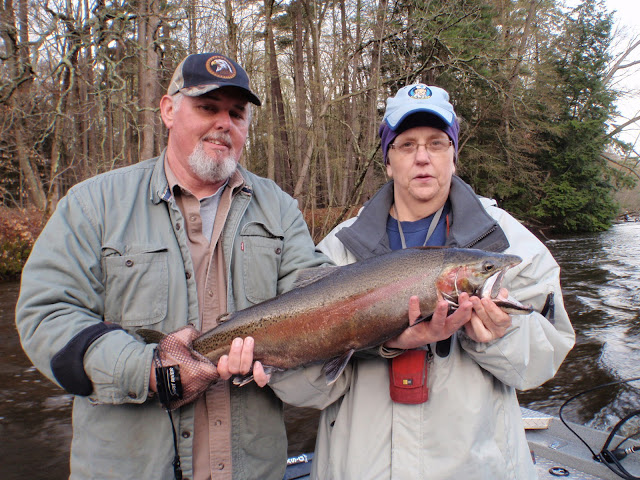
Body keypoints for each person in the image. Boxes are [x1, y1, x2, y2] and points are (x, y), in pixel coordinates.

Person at [15, 52, 330, 480]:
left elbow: (320, 304)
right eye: (208, 108)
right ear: (168, 110)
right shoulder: (93, 205)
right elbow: (45, 316)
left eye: (237, 113)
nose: (224, 123)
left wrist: (392, 330)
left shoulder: (280, 208)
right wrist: (149, 371)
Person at [269, 84, 576, 479]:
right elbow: (300, 391)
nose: (422, 157)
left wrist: (500, 337)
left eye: (436, 143)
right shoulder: (337, 249)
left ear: (453, 155)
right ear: (388, 161)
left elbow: (545, 362)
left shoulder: (508, 243)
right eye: (406, 145)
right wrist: (370, 344)